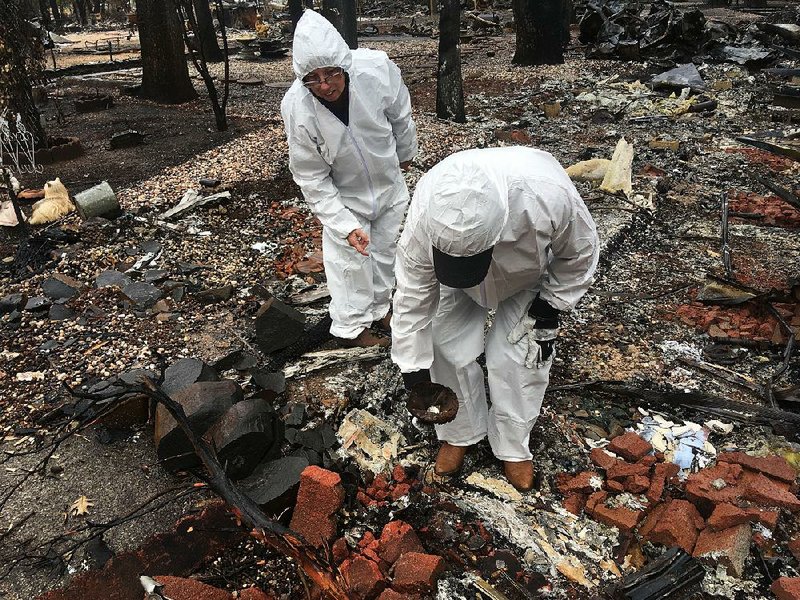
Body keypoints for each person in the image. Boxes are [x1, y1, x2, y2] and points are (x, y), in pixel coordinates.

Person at [390, 147, 599, 491]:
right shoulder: (428, 214)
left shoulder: (547, 195)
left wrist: (552, 304)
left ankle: (513, 446)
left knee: (519, 353)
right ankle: (459, 433)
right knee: (443, 341)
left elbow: (580, 253)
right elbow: (412, 294)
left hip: (525, 272)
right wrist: (413, 370)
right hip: (452, 280)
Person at [281, 10, 418, 347]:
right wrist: (343, 224)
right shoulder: (297, 109)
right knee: (349, 262)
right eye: (313, 78)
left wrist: (405, 154)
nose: (324, 85)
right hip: (347, 195)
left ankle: (380, 308)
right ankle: (350, 327)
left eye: (331, 73)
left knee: (385, 251)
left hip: (388, 184)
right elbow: (311, 177)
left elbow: (401, 114)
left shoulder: (375, 70)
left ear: (345, 65)